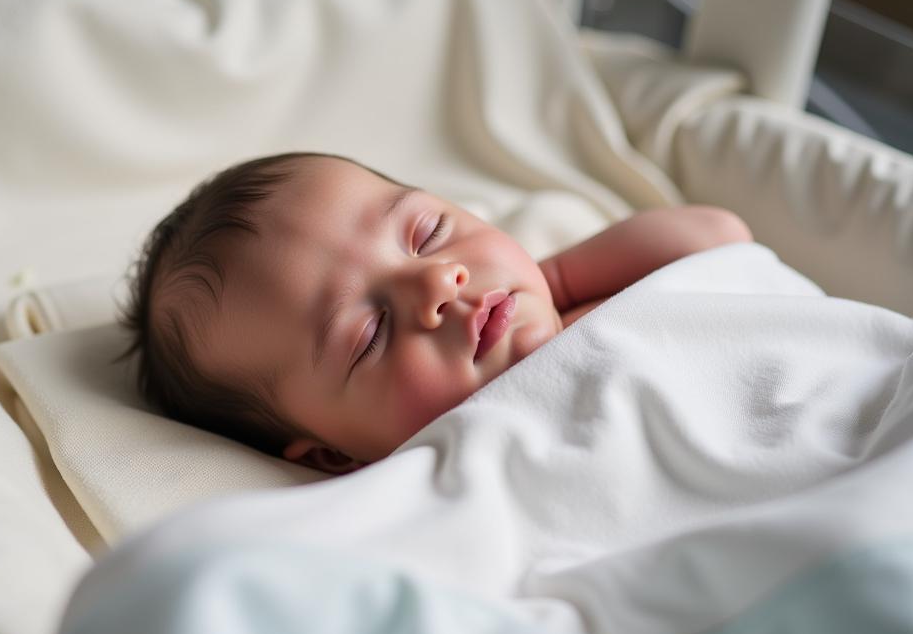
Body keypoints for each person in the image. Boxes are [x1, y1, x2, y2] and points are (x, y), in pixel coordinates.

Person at [122, 152, 752, 472]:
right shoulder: (446, 472)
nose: (437, 284)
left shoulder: (596, 307)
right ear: (335, 457)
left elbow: (720, 238)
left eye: (428, 233)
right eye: (370, 334)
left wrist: (555, 280)